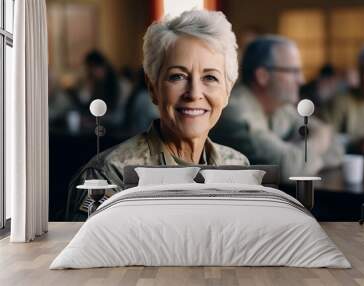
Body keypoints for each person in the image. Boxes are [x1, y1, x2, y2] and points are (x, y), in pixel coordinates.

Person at [65, 10, 249, 221]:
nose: (194, 94)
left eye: (210, 77)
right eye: (177, 76)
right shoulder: (109, 174)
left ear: (228, 91)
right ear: (153, 87)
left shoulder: (238, 166)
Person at [210, 35, 344, 179]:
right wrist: (317, 142)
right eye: (293, 71)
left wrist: (300, 155)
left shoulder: (281, 107)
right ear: (263, 76)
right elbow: (289, 171)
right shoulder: (235, 112)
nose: (301, 80)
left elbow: (337, 149)